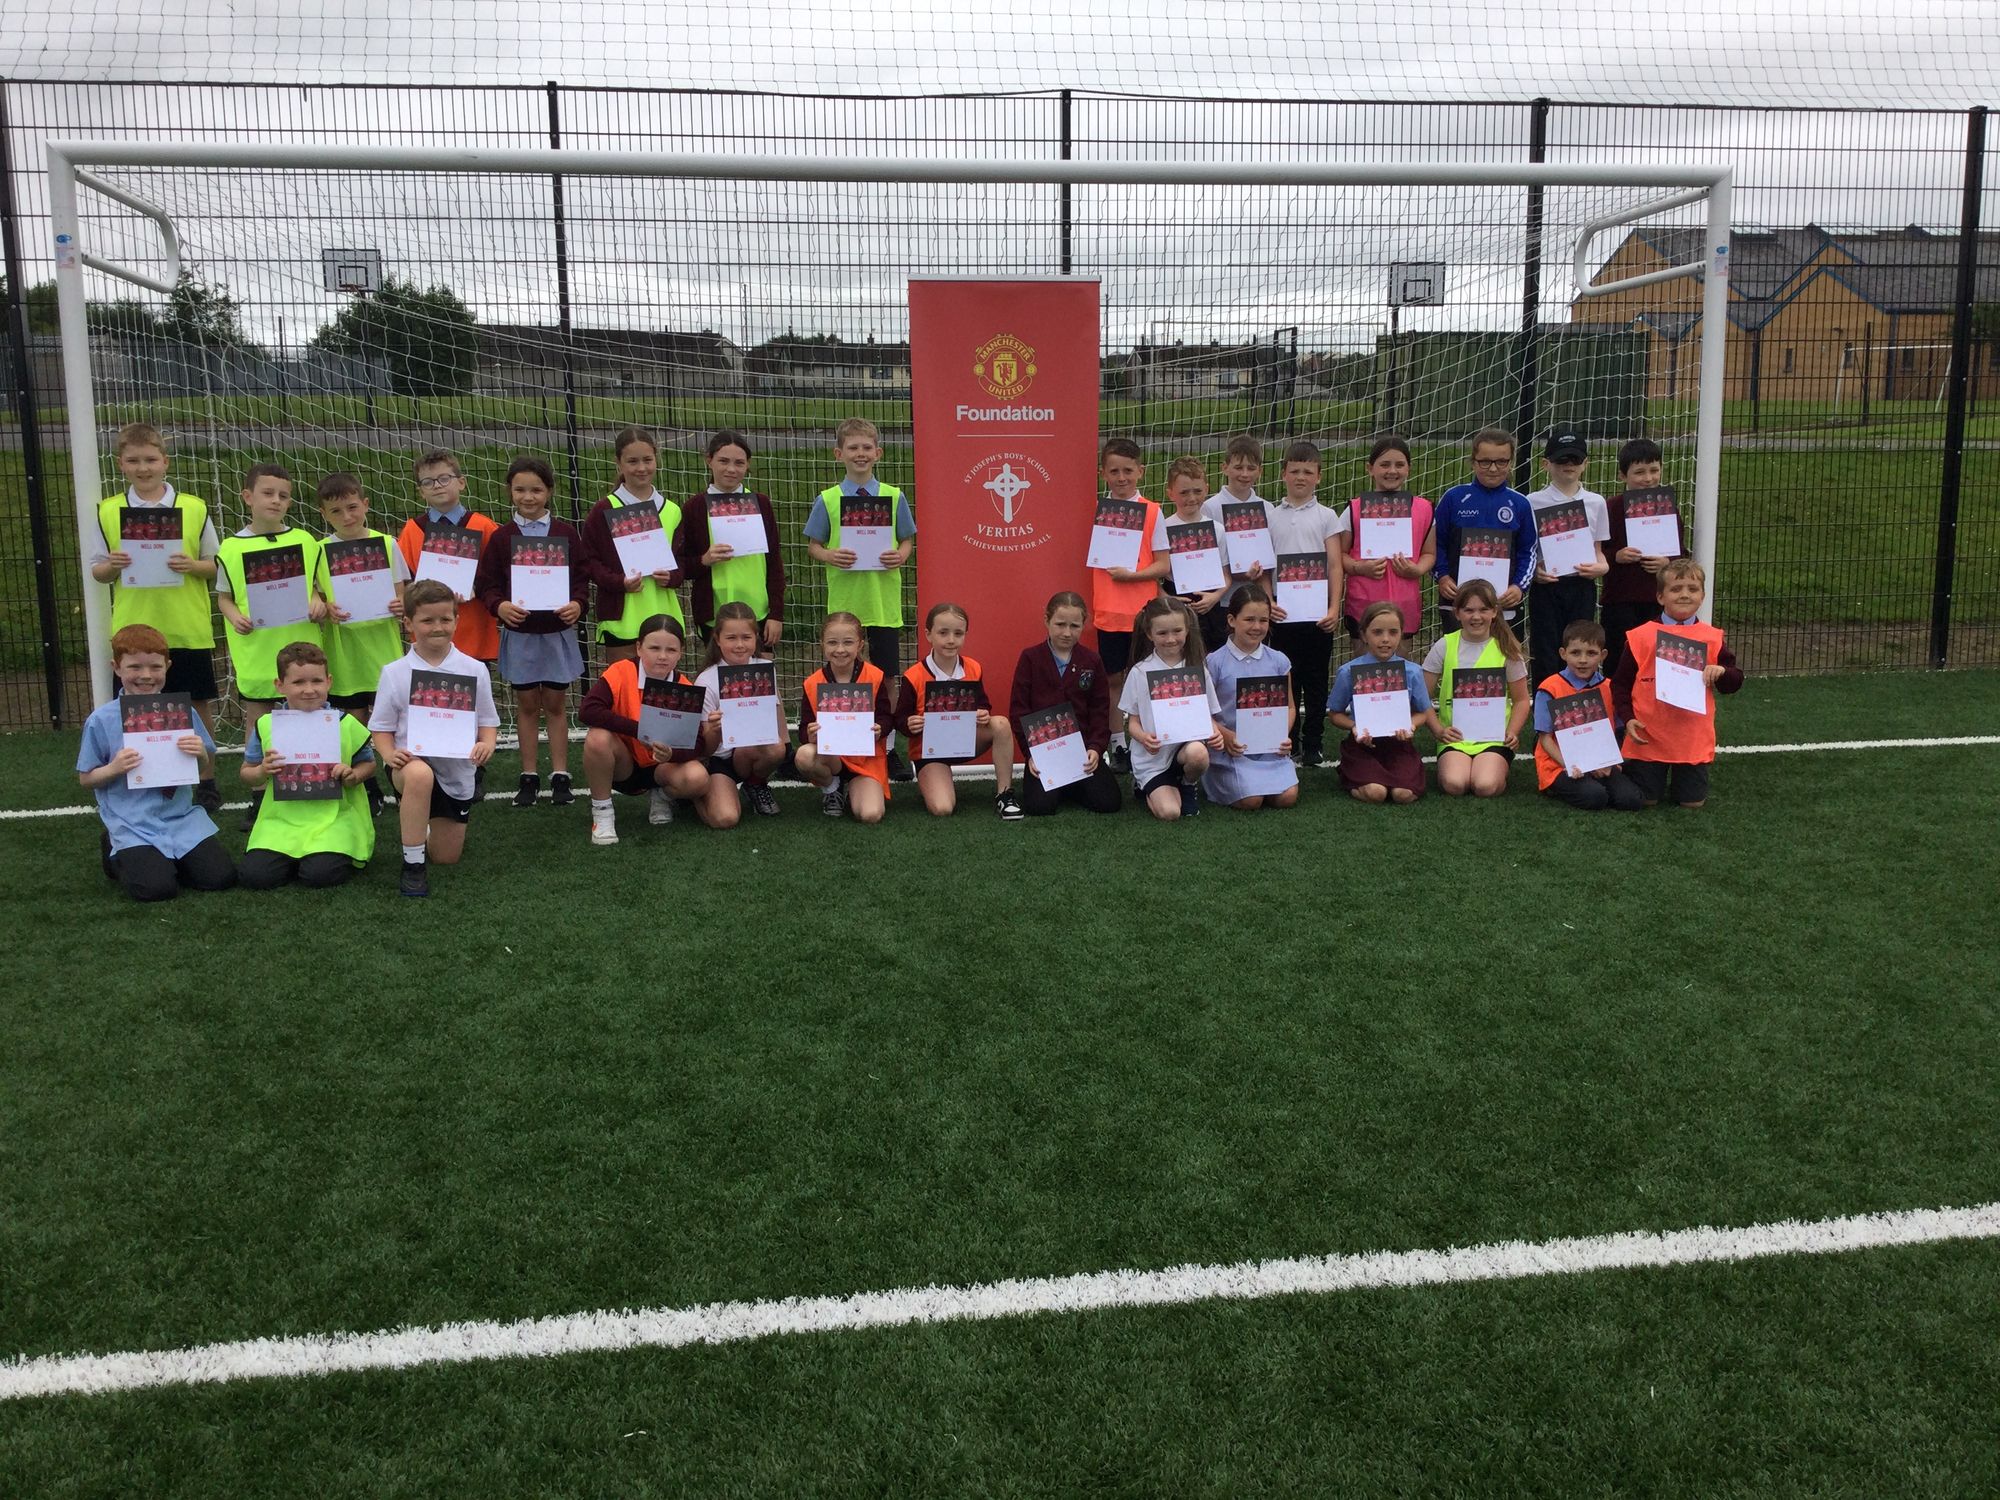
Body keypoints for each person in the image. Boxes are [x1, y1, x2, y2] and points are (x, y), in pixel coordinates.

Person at [89, 422, 224, 810]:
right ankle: (144, 776)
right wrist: (112, 565)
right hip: (135, 629)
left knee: (196, 704)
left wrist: (191, 566)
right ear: (121, 464)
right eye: (134, 460)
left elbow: (216, 565)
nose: (143, 467)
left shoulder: (193, 508)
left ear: (165, 461)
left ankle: (207, 780)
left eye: (150, 459)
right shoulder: (109, 511)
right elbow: (97, 572)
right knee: (139, 708)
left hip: (186, 626)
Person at [77, 624, 235, 902]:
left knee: (219, 878)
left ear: (168, 666)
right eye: (135, 667)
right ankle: (115, 848)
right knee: (157, 890)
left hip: (180, 817)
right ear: (116, 667)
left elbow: (199, 768)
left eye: (155, 667)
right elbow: (86, 778)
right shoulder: (101, 720)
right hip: (133, 822)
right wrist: (114, 768)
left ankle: (163, 860)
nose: (146, 675)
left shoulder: (182, 712)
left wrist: (199, 754)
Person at [368, 580, 500, 896]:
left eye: (445, 619)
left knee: (446, 857)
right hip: (410, 765)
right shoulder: (394, 672)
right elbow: (381, 727)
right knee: (419, 775)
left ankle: (422, 825)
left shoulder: (474, 669)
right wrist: (388, 755)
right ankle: (413, 866)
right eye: (427, 620)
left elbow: (487, 721)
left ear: (457, 620)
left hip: (457, 769)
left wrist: (487, 744)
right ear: (409, 623)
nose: (437, 627)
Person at [215, 462, 328, 828]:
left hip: (300, 649)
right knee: (260, 721)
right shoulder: (230, 548)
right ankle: (260, 794)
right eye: (267, 493)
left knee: (307, 718)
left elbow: (317, 587)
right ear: (247, 497)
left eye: (283, 495)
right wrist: (233, 617)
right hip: (258, 650)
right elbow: (224, 597)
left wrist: (316, 601)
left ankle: (312, 785)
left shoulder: (306, 542)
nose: (275, 501)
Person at [806, 416, 917, 782]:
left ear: (878, 453)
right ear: (839, 454)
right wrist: (829, 555)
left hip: (882, 603)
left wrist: (901, 555)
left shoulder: (894, 496)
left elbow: (906, 540)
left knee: (886, 678)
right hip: (846, 604)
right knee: (844, 676)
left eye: (866, 448)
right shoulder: (828, 499)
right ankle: (841, 743)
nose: (860, 454)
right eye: (852, 448)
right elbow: (814, 546)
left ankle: (886, 749)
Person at [473, 454, 587, 808]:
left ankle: (560, 775)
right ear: (510, 491)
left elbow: (582, 579)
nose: (528, 496)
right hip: (520, 634)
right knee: (525, 703)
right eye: (520, 489)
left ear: (549, 491)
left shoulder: (566, 533)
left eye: (536, 489)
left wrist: (578, 604)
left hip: (556, 632)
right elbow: (487, 583)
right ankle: (528, 775)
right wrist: (500, 606)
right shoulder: (502, 537)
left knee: (554, 702)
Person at [237, 641, 377, 887]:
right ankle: (285, 855)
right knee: (255, 877)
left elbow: (369, 764)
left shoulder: (345, 724)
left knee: (319, 876)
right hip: (279, 823)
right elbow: (246, 773)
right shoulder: (266, 725)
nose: (309, 690)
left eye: (316, 681)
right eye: (298, 682)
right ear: (279, 686)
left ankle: (320, 855)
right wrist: (261, 771)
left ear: (329, 682)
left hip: (332, 821)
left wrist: (353, 775)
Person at [1612, 559, 1744, 809]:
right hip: (1649, 735)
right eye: (1676, 589)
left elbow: (1734, 682)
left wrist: (1723, 671)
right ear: (1660, 597)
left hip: (1691, 736)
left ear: (1703, 596)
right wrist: (1627, 718)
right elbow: (1620, 684)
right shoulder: (1641, 636)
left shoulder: (1712, 637)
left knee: (1692, 803)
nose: (1684, 595)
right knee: (1647, 800)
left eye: (1692, 589)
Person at [314, 470, 408, 818]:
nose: (347, 517)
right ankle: (368, 789)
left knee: (390, 724)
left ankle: (400, 784)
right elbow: (315, 596)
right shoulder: (320, 551)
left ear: (366, 505)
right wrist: (324, 607)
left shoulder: (386, 543)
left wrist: (401, 604)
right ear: (323, 514)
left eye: (353, 507)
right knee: (353, 722)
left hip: (384, 652)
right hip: (344, 654)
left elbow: (402, 591)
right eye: (336, 512)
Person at [577, 613, 713, 845]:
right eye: (654, 648)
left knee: (698, 778)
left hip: (662, 768)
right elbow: (587, 711)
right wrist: (640, 730)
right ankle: (602, 813)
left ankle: (662, 795)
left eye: (671, 650)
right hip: (624, 767)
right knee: (597, 737)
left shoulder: (685, 688)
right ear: (639, 648)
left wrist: (673, 754)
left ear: (681, 653)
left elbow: (698, 743)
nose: (662, 656)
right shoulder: (620, 672)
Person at [892, 600, 1023, 819]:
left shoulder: (973, 667)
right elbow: (900, 719)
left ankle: (1004, 794)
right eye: (943, 633)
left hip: (964, 741)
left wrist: (983, 712)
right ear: (928, 635)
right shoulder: (913, 676)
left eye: (958, 633)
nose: (951, 640)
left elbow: (983, 703)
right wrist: (909, 724)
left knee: (1000, 724)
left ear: (965, 635)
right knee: (942, 808)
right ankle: (930, 776)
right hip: (930, 751)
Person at [1264, 440, 1346, 767]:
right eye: (1294, 470)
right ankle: (1291, 742)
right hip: (1282, 615)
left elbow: (1336, 565)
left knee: (1314, 682)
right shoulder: (1270, 516)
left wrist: (1333, 608)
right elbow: (1264, 566)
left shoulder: (1327, 517)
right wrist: (1268, 601)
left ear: (1319, 477)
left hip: (1316, 617)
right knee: (1287, 680)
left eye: (1308, 472)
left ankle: (1314, 742)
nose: (1301, 477)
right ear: (1283, 474)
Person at [580, 426, 688, 664]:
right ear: (618, 463)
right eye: (632, 461)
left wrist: (671, 577)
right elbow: (590, 561)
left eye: (647, 460)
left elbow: (681, 561)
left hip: (663, 616)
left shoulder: (672, 511)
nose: (641, 468)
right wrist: (619, 582)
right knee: (623, 693)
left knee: (659, 694)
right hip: (622, 618)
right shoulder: (604, 510)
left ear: (656, 459)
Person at [1007, 591, 1121, 816]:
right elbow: (1019, 709)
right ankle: (1062, 786)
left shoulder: (1092, 660)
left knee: (1109, 803)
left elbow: (1100, 709)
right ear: (1046, 620)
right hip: (1044, 753)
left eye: (1074, 626)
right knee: (1039, 807)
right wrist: (1031, 754)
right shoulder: (1030, 658)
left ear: (1083, 625)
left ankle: (1071, 785)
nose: (1067, 633)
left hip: (1081, 752)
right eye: (1060, 624)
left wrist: (1095, 749)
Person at [1088, 438, 1167, 756]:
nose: (1122, 478)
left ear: (1141, 472)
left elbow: (1163, 564)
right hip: (1108, 613)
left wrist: (1131, 576)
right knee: (1112, 682)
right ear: (1102, 473)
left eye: (1128, 471)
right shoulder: (1097, 510)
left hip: (1143, 615)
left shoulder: (1153, 512)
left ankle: (1151, 738)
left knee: (1149, 680)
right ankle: (1117, 742)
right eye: (1114, 471)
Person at [1422, 578, 1532, 798]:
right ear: (1457, 613)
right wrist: (1438, 730)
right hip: (1455, 737)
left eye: (1483, 610)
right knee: (1455, 785)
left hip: (1494, 737)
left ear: (1494, 612)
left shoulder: (1507, 649)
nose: (1476, 616)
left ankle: (1493, 767)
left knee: (1485, 786)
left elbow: (1521, 700)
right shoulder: (1444, 645)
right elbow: (1422, 697)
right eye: (1469, 610)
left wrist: (1512, 732)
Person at [1118, 596, 1224, 822]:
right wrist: (1144, 737)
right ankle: (1144, 785)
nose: (1171, 639)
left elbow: (1207, 715)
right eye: (1162, 633)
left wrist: (1214, 732)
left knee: (1199, 753)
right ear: (1149, 634)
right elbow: (1132, 722)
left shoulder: (1197, 669)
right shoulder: (1139, 672)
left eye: (1177, 631)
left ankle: (1187, 783)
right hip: (1153, 758)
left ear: (1187, 630)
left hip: (1185, 750)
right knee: (1170, 813)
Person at [1328, 600, 1440, 805]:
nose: (1385, 639)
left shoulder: (1412, 671)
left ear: (1401, 634)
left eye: (1393, 632)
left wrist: (1411, 725)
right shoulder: (1348, 672)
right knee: (1376, 793)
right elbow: (1334, 714)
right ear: (1363, 635)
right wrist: (1355, 726)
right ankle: (1349, 771)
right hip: (1363, 745)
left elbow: (1423, 711)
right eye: (1377, 632)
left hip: (1399, 744)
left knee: (1403, 795)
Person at [396, 447, 501, 665]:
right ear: (421, 492)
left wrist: (476, 587)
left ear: (461, 482)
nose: (437, 486)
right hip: (429, 636)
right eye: (428, 482)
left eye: (444, 478)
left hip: (474, 631)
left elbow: (497, 576)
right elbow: (406, 580)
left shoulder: (484, 527)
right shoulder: (411, 530)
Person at [684, 428, 786, 651]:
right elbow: (681, 565)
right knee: (724, 681)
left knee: (760, 681)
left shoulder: (761, 503)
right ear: (709, 460)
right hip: (715, 615)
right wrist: (704, 559)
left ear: (748, 465)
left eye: (739, 463)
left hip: (759, 611)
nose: (731, 469)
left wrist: (776, 613)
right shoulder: (695, 508)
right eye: (723, 461)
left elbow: (774, 561)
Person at [1525, 427, 1611, 686]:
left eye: (1575, 459)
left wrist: (1601, 568)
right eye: (1562, 459)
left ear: (1585, 464)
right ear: (1546, 464)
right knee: (1546, 647)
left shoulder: (1596, 502)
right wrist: (1535, 573)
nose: (1569, 465)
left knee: (1582, 646)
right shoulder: (1532, 502)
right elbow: (1529, 550)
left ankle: (1580, 703)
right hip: (1547, 587)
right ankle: (1546, 707)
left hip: (1581, 585)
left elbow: (1598, 551)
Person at [1432, 426, 1538, 632]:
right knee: (1458, 661)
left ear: (1511, 462)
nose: (1493, 468)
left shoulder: (1520, 503)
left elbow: (1528, 552)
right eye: (1485, 462)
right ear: (1473, 462)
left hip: (1503, 604)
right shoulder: (1454, 498)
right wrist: (1443, 576)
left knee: (1502, 662)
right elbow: (1436, 544)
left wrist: (1518, 587)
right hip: (1456, 602)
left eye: (1501, 462)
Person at [1202, 585, 1299, 811]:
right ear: (1232, 620)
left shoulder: (1279, 661)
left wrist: (1281, 736)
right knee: (1251, 801)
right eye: (1249, 619)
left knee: (1286, 799)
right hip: (1231, 752)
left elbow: (1291, 707)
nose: (1257, 627)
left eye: (1263, 620)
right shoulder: (1214, 662)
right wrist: (1226, 737)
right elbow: (1202, 714)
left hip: (1269, 751)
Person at [692, 600, 787, 826]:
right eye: (731, 638)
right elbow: (705, 749)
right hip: (719, 758)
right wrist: (714, 730)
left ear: (756, 638)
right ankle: (694, 795)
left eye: (746, 637)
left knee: (776, 748)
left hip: (749, 753)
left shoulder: (764, 671)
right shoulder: (706, 681)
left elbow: (775, 726)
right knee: (725, 818)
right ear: (717, 639)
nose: (739, 645)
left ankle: (754, 783)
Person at [1534, 620, 1645, 812]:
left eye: (1591, 653)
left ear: (1603, 656)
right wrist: (1570, 765)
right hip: (1561, 764)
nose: (1583, 660)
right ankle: (1557, 787)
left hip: (1601, 762)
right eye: (1575, 652)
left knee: (1631, 800)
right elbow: (1545, 739)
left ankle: (1598, 783)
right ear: (1563, 653)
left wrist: (1612, 761)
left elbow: (1618, 731)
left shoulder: (1610, 687)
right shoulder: (1549, 688)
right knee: (1595, 797)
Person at [795, 610, 893, 824]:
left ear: (860, 644)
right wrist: (810, 734)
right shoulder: (813, 683)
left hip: (865, 758)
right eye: (832, 643)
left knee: (870, 815)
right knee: (804, 755)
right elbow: (803, 730)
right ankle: (832, 788)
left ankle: (855, 790)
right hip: (831, 758)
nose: (840, 650)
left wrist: (880, 728)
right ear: (822, 644)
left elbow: (886, 717)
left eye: (847, 642)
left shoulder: (874, 676)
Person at [1340, 435, 1437, 641]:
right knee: (1363, 666)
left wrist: (1418, 569)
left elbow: (1429, 553)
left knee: (1399, 665)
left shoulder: (1424, 509)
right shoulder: (1354, 509)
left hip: (1404, 602)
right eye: (1384, 464)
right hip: (1364, 602)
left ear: (1408, 469)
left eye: (1399, 465)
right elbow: (1340, 554)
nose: (1392, 471)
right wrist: (1360, 568)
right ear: (1370, 468)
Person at [1601, 437, 1681, 675]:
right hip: (1619, 600)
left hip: (1657, 600)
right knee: (1619, 660)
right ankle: (1617, 708)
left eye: (1654, 470)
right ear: (1622, 476)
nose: (1648, 478)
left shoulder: (1668, 509)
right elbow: (1594, 553)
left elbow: (1682, 555)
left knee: (1655, 662)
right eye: (1640, 472)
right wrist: (1616, 556)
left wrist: (1667, 564)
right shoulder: (1611, 508)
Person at [1153, 454, 1230, 660]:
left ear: (1206, 488)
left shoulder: (1217, 529)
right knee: (1179, 658)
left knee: (1211, 662)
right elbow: (1153, 574)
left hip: (1210, 604)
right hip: (1176, 599)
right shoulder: (1163, 528)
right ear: (1170, 493)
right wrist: (1166, 598)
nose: (1191, 498)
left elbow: (1226, 575)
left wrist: (1215, 597)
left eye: (1197, 491)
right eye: (1184, 492)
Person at [1202, 434, 1276, 590]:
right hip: (1223, 598)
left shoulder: (1268, 509)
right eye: (1238, 467)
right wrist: (1237, 574)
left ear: (1260, 471)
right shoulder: (1210, 508)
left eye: (1251, 468)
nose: (1245, 474)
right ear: (1225, 468)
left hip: (1258, 597)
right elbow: (1208, 559)